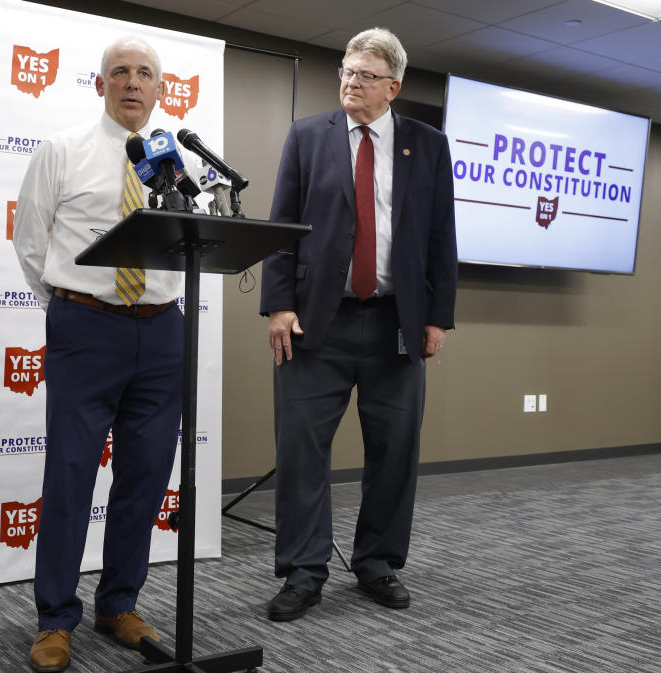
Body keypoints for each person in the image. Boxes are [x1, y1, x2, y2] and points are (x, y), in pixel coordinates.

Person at [259, 27, 457, 622]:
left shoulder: (426, 145)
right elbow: (282, 226)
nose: (351, 82)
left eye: (366, 75)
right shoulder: (307, 136)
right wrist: (278, 305)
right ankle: (303, 570)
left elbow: (440, 236)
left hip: (396, 324)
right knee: (301, 452)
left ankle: (377, 564)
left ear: (393, 87)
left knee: (395, 452)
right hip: (316, 324)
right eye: (347, 72)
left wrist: (438, 317)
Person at [13, 36, 183, 671]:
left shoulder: (175, 162)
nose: (132, 83)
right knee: (70, 479)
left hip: (164, 330)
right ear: (101, 85)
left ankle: (119, 604)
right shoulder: (63, 150)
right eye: (120, 73)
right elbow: (31, 242)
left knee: (144, 478)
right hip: (86, 328)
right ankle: (56, 617)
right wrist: (73, 303)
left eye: (144, 74)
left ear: (160, 89)